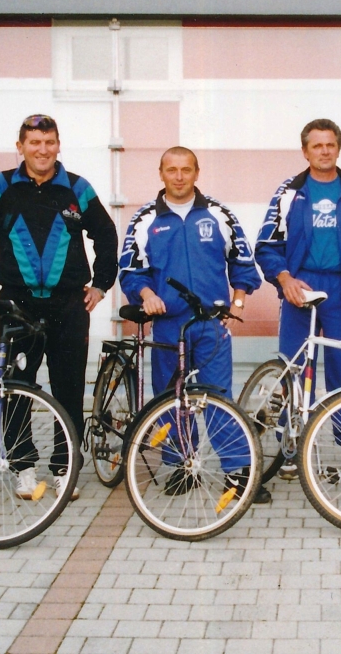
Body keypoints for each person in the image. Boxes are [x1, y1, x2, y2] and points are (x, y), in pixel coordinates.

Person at [0, 114, 118, 500]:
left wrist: (100, 285)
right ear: (20, 147)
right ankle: (24, 468)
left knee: (68, 388)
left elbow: (106, 235)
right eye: (34, 143)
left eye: (49, 142)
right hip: (17, 305)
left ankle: (65, 468)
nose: (42, 150)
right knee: (16, 387)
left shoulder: (77, 189)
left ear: (58, 145)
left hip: (68, 306)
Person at [119, 146, 267, 502]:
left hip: (211, 325)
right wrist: (145, 295)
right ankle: (183, 467)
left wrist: (238, 302)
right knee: (173, 399)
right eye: (172, 170)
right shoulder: (145, 220)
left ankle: (238, 472)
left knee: (219, 398)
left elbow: (243, 264)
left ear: (197, 172)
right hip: (169, 326)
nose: (179, 176)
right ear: (161, 173)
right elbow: (129, 271)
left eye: (186, 169)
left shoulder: (218, 215)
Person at [255, 119, 341, 473]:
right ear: (305, 151)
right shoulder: (289, 193)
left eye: (330, 145)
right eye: (317, 146)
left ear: (338, 148)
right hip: (300, 290)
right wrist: (284, 279)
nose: (324, 151)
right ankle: (290, 443)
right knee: (294, 370)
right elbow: (267, 245)